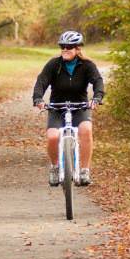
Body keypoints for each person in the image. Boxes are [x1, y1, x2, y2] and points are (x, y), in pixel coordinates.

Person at [33, 30, 105, 186]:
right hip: (57, 108)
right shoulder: (54, 64)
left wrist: (97, 98)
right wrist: (38, 98)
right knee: (52, 136)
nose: (65, 49)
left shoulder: (87, 65)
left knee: (86, 130)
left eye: (69, 46)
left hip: (80, 106)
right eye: (62, 46)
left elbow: (98, 81)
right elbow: (42, 81)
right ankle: (55, 166)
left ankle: (85, 170)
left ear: (78, 48)